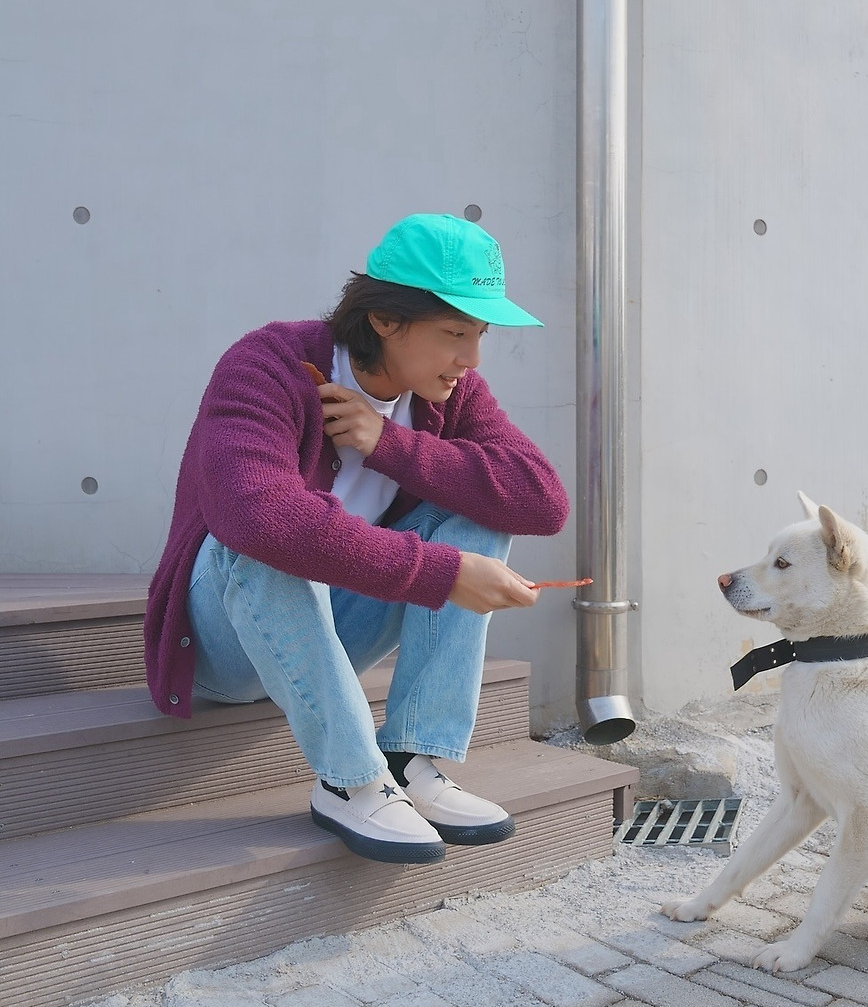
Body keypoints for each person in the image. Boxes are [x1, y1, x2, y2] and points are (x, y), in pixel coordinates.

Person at [144, 213, 568, 863]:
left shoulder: (450, 395)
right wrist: (443, 573)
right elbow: (257, 517)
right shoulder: (269, 363)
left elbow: (542, 500)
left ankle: (409, 759)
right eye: (456, 333)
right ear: (385, 319)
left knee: (483, 512)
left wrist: (390, 443)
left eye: (480, 335)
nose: (472, 358)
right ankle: (350, 780)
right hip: (227, 644)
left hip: (335, 626)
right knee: (263, 538)